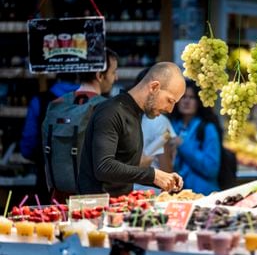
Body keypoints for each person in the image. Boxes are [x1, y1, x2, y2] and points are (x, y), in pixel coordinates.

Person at [77, 62, 186, 196]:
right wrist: (153, 175)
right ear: (154, 87)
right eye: (170, 101)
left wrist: (161, 178)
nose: (170, 110)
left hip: (119, 205)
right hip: (96, 208)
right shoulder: (111, 111)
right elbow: (104, 167)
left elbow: (125, 167)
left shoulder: (135, 113)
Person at [45, 48, 119, 203]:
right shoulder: (105, 108)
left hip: (58, 196)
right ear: (100, 76)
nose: (116, 78)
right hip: (92, 200)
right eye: (113, 73)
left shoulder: (57, 104)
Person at [20, 72, 79, 203]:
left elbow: (27, 148)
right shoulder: (91, 102)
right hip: (84, 187)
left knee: (47, 220)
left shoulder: (39, 102)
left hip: (47, 184)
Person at [169, 79, 222, 195]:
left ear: (199, 101)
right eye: (183, 97)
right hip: (178, 195)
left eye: (191, 97)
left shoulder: (207, 128)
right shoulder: (171, 126)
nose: (186, 101)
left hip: (204, 195)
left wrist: (183, 145)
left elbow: (211, 168)